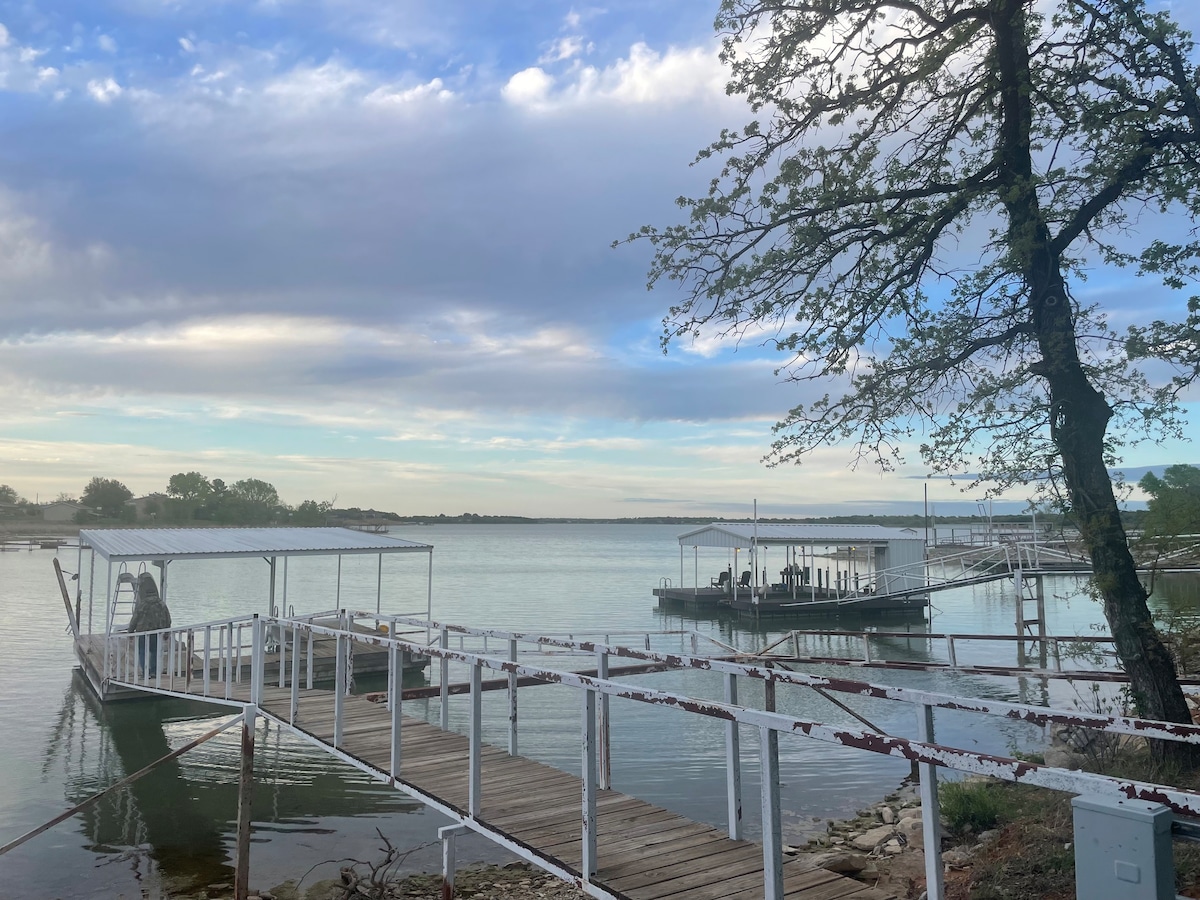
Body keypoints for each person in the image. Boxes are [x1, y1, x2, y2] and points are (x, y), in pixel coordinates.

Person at [128, 572, 171, 674]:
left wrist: (130, 632)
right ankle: (154, 671)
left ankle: (145, 671)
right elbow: (168, 619)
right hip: (157, 631)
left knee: (142, 651)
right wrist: (167, 633)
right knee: (155, 652)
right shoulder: (161, 604)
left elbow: (135, 619)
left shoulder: (142, 605)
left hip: (143, 632)